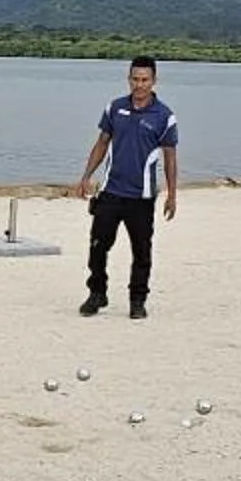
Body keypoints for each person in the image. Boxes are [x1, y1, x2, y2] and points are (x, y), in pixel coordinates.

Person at [70, 54, 180, 318]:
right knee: (97, 246)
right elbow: (102, 143)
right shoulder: (115, 108)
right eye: (135, 79)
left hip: (141, 198)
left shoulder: (164, 116)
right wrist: (86, 176)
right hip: (110, 192)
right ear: (128, 79)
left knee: (141, 251)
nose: (139, 85)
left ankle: (137, 301)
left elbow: (170, 158)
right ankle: (97, 293)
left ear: (154, 81)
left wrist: (172, 195)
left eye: (145, 80)